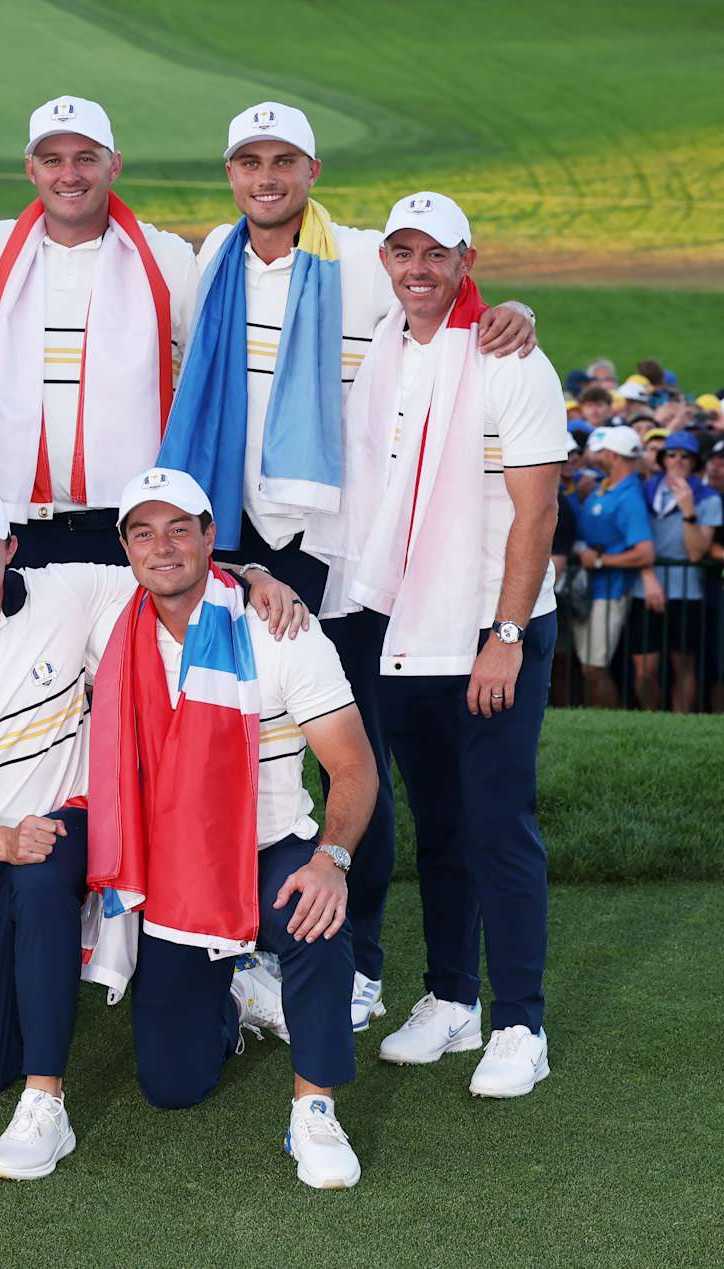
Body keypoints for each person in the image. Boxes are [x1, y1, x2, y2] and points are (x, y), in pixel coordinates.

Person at [154, 103, 537, 1032]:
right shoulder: (212, 258)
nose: (267, 176)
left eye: (285, 159)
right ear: (231, 172)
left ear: (313, 170)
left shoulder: (366, 258)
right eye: (249, 159)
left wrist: (512, 313)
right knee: (235, 739)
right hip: (232, 536)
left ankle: (360, 959)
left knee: (348, 753)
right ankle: (245, 941)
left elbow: (446, 301)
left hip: (337, 550)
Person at [0, 478, 305, 1178]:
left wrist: (253, 574)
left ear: (13, 549)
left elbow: (175, 573)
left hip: (73, 820)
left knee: (45, 874)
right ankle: (183, 1004)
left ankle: (47, 1104)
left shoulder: (66, 590)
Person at [308, 193, 568, 1097]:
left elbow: (537, 510)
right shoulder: (385, 340)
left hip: (491, 629)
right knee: (442, 824)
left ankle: (520, 1019)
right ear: (386, 259)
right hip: (405, 626)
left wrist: (504, 635)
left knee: (499, 824)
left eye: (436, 253)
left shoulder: (509, 356)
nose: (418, 268)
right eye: (403, 251)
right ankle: (453, 997)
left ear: (467, 257)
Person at [85, 467, 376, 1189]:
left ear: (210, 536)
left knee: (315, 912)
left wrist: (331, 858)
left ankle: (315, 1108)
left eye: (181, 528)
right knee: (171, 1084)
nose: (164, 546)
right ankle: (234, 991)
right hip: (175, 871)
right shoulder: (104, 613)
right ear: (125, 546)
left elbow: (355, 766)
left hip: (269, 847)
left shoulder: (278, 627)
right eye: (145, 532)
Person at [0, 96, 197, 569]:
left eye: (86, 158)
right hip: (16, 520)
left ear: (115, 165)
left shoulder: (165, 257)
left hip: (131, 524)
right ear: (31, 170)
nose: (70, 175)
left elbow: (200, 376)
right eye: (53, 161)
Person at [632, 431, 717, 713]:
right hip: (645, 585)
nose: (678, 461)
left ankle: (679, 720)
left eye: (685, 456)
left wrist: (689, 511)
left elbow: (696, 553)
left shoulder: (708, 497)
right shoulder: (645, 489)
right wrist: (646, 573)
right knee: (645, 668)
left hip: (687, 589)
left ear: (694, 462)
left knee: (684, 664)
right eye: (671, 454)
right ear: (663, 458)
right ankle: (650, 719)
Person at [570, 426, 653, 708]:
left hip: (609, 591)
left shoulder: (629, 497)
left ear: (614, 456)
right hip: (591, 590)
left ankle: (608, 720)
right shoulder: (604, 487)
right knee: (587, 667)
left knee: (594, 669)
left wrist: (601, 561)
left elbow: (644, 553)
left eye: (602, 451)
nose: (596, 456)